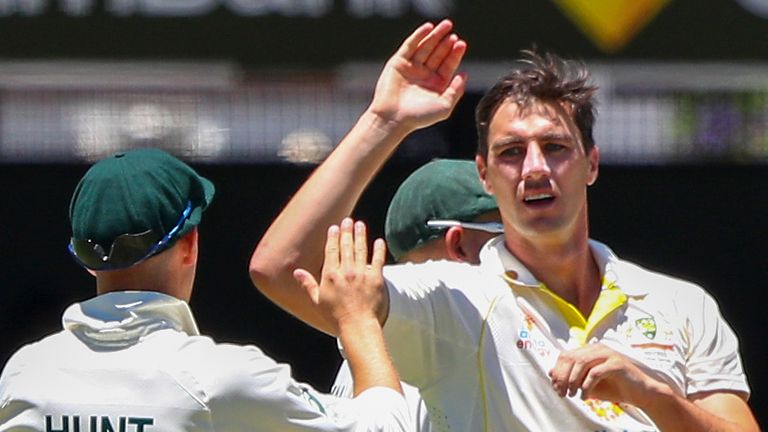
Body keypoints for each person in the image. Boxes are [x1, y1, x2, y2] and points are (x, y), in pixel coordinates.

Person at [249, 19, 760, 431]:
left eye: (555, 147)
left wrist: (652, 394)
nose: (535, 167)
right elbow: (280, 268)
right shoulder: (450, 298)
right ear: (485, 176)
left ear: (593, 164)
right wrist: (385, 121)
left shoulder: (681, 303)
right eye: (511, 153)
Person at [0, 148, 411, 431]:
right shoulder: (221, 378)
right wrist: (358, 320)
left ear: (87, 260)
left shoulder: (24, 374)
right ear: (190, 244)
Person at [330, 159, 502, 431]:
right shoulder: (441, 349)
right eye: (503, 234)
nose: (521, 248)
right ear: (458, 246)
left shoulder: (371, 343)